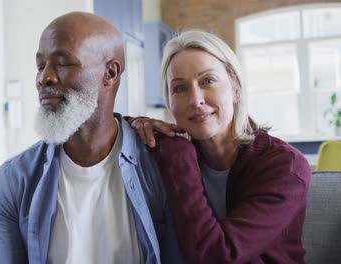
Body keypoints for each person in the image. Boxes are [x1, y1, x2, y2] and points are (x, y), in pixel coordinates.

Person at [0, 12, 183, 264]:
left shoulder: (162, 168)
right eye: (40, 65)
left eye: (62, 63)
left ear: (110, 73)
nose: (44, 78)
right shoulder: (12, 182)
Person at [131, 30, 311, 263]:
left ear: (236, 88)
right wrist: (135, 123)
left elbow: (219, 255)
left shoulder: (286, 167)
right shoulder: (177, 152)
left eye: (208, 81)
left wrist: (179, 156)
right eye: (180, 88)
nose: (195, 100)